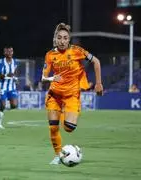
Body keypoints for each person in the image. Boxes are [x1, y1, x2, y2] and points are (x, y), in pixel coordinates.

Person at [42, 23, 103, 165]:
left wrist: (98, 83)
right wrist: (50, 78)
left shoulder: (77, 51)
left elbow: (96, 61)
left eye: (65, 38)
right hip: (55, 95)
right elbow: (44, 77)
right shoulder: (50, 55)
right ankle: (58, 155)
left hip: (71, 95)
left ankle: (62, 113)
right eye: (59, 38)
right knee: (53, 127)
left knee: (69, 128)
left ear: (68, 39)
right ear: (55, 39)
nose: (62, 41)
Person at [0, 46, 19, 129]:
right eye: (8, 52)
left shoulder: (15, 62)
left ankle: (4, 107)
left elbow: (15, 72)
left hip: (12, 87)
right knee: (2, 106)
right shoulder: (1, 62)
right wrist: (6, 75)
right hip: (3, 87)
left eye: (11, 51)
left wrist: (15, 78)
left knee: (15, 105)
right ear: (4, 53)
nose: (10, 53)